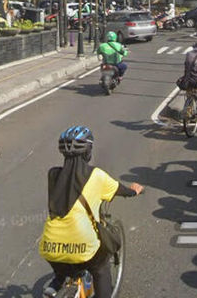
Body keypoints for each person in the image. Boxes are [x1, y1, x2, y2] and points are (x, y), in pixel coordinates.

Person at [39, 126, 144, 298]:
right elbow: (121, 190)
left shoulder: (53, 174)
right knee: (101, 268)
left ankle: (57, 281)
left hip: (49, 246)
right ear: (88, 152)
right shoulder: (96, 175)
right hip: (83, 247)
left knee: (61, 261)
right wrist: (135, 191)